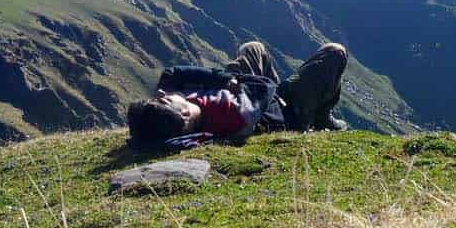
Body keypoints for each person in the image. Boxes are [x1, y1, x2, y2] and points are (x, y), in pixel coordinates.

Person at [126, 40, 350, 145]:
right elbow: (264, 86)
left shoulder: (185, 109)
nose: (162, 94)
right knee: (334, 53)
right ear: (184, 114)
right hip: (284, 106)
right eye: (164, 101)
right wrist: (237, 81)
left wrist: (224, 79)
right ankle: (318, 118)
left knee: (253, 49)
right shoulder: (234, 113)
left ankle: (233, 76)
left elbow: (171, 74)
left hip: (254, 94)